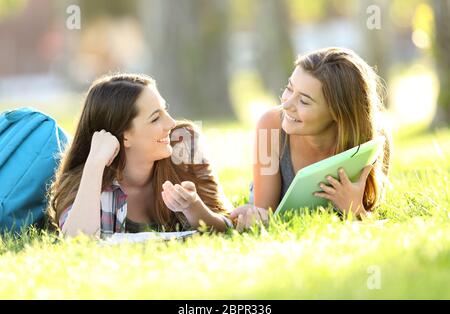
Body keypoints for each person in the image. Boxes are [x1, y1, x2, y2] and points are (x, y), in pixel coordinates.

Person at [48, 73, 233, 238]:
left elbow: (228, 225)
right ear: (124, 137)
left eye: (165, 110)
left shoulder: (183, 143)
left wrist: (193, 206)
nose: (170, 123)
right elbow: (77, 242)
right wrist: (95, 164)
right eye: (155, 118)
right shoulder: (88, 180)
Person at [231, 47, 391, 230]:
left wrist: (355, 211)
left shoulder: (371, 139)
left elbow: (370, 220)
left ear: (337, 113)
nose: (287, 104)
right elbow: (265, 215)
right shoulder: (270, 126)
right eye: (289, 89)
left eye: (304, 101)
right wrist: (254, 217)